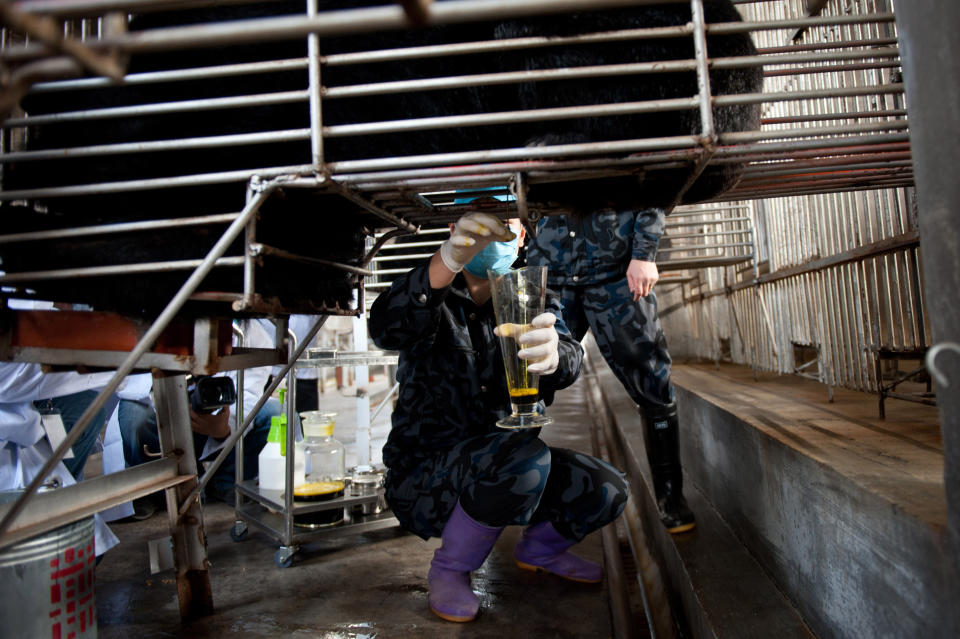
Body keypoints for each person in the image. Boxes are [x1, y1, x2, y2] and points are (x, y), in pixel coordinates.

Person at [369, 212, 629, 623]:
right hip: (428, 480)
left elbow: (571, 355)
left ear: (521, 234)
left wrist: (555, 355)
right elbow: (384, 328)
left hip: (508, 469)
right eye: (477, 228)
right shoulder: (430, 292)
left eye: (503, 226)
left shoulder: (533, 295)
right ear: (453, 233)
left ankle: (539, 550)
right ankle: (452, 568)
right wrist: (446, 261)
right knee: (526, 460)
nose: (491, 237)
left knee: (606, 489)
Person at [525, 208, 696, 534]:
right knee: (528, 382)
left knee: (652, 381)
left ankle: (670, 498)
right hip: (551, 274)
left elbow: (654, 181)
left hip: (617, 272)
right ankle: (513, 494)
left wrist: (645, 252)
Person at [118, 319, 281, 505]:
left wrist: (223, 429)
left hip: (214, 424)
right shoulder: (156, 321)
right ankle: (151, 493)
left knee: (273, 413)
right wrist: (172, 400)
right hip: (163, 422)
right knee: (134, 414)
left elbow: (249, 395)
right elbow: (130, 388)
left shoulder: (252, 334)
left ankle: (225, 481)